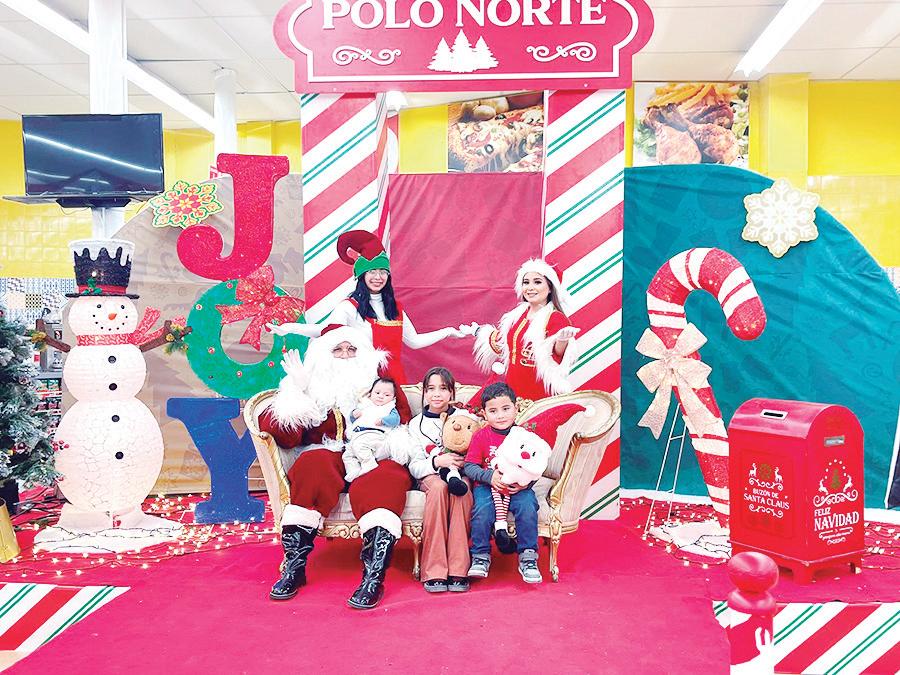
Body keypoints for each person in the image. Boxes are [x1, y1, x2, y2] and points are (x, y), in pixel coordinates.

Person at [258, 324, 414, 610]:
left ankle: (373, 577)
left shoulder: (380, 382)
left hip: (374, 450)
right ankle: (294, 568)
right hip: (329, 450)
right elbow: (283, 435)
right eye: (337, 350)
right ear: (323, 354)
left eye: (352, 349)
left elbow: (404, 416)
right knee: (311, 465)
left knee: (385, 477)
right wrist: (297, 393)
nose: (345, 356)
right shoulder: (311, 384)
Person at [268, 230, 476, 422]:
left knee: (399, 425)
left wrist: (447, 332)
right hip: (367, 382)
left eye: (382, 272)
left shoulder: (396, 309)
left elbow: (414, 341)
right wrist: (291, 327)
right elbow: (326, 330)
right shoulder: (349, 307)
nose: (378, 277)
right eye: (372, 272)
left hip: (395, 380)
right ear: (361, 275)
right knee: (369, 426)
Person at [463, 382, 543, 584]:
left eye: (506, 409)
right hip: (487, 487)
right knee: (482, 510)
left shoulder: (525, 437)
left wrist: (525, 484)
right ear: (484, 414)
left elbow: (536, 465)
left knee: (527, 506)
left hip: (517, 488)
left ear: (516, 408)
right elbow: (469, 466)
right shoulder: (481, 436)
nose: (500, 415)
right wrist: (489, 476)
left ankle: (528, 556)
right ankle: (480, 555)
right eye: (493, 411)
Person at [406, 367, 475, 593]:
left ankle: (459, 569)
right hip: (431, 475)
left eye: (443, 388)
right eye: (431, 389)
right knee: (438, 488)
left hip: (460, 472)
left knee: (462, 490)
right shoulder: (415, 424)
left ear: (452, 392)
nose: (437, 394)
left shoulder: (464, 417)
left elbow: (477, 449)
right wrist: (437, 462)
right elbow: (414, 465)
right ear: (424, 392)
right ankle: (434, 570)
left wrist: (463, 462)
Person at [473, 258, 579, 402]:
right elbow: (504, 343)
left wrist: (562, 340)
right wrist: (478, 331)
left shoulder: (555, 317)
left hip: (539, 390)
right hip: (513, 386)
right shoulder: (516, 316)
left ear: (550, 288)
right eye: (526, 282)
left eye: (537, 282)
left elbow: (558, 356)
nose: (530, 287)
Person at [343, 377, 401, 481]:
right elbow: (352, 419)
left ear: (393, 398)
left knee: (361, 446)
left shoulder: (389, 408)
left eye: (386, 395)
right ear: (370, 393)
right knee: (347, 455)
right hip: (357, 435)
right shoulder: (364, 405)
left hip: (374, 435)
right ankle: (354, 471)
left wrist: (384, 420)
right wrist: (354, 414)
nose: (381, 396)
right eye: (377, 393)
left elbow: (396, 420)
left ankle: (369, 464)